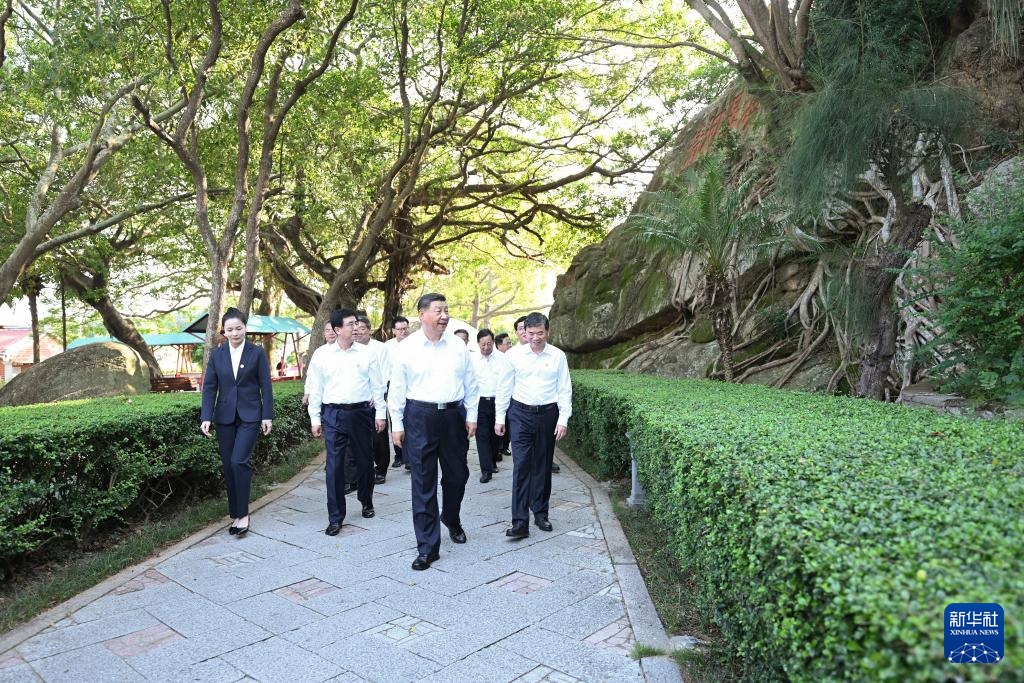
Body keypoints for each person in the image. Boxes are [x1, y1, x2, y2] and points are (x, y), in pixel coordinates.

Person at [389, 293, 479, 570]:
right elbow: (397, 388)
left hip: (453, 416)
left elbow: (471, 383)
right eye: (438, 310)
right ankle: (428, 547)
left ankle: (450, 517)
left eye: (446, 310)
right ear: (422, 314)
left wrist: (471, 415)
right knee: (423, 482)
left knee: (458, 475)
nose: (444, 316)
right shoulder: (407, 347)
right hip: (419, 417)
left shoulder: (458, 346)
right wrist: (397, 424)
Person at [305, 308, 386, 535]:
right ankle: (335, 516)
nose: (356, 328)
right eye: (350, 324)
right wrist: (315, 418)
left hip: (361, 413)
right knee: (334, 466)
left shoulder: (366, 353)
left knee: (364, 461)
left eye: (357, 324)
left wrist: (380, 413)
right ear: (338, 329)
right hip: (333, 415)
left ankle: (366, 500)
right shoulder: (322, 355)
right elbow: (316, 388)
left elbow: (377, 385)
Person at [495, 312, 571, 539]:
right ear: (524, 332)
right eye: (531, 333)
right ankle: (519, 522)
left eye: (540, 333)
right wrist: (500, 418)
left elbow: (564, 389)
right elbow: (504, 387)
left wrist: (563, 419)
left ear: (547, 332)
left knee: (543, 465)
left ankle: (540, 513)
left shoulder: (557, 356)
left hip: (548, 414)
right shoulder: (514, 355)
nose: (535, 338)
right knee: (521, 466)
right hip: (520, 414)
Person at [200, 307, 274, 537]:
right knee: (228, 465)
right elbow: (209, 387)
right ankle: (236, 513)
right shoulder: (217, 354)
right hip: (224, 417)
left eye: (238, 328)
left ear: (245, 328)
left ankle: (243, 515)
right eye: (230, 329)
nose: (234, 333)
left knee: (238, 461)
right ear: (224, 331)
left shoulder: (256, 352)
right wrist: (206, 416)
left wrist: (267, 415)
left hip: (251, 416)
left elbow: (266, 386)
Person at [354, 315, 391, 485]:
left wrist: (375, 396)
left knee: (379, 437)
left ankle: (381, 469)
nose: (358, 332)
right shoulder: (350, 348)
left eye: (362, 328)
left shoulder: (380, 348)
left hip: (376, 399)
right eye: (356, 328)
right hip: (358, 400)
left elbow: (384, 375)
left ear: (369, 330)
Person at [471, 328, 511, 483]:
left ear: (493, 342)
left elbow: (506, 383)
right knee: (482, 436)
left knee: (496, 436)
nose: (486, 347)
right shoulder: (472, 359)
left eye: (489, 344)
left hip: (498, 402)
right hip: (480, 402)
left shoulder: (502, 359)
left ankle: (493, 461)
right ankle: (486, 470)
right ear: (478, 344)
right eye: (483, 345)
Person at [383, 316, 411, 469]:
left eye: (405, 329)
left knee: (410, 420)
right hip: (392, 385)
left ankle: (410, 457)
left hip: (411, 386)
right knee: (395, 418)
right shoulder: (387, 347)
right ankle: (399, 455)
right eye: (399, 329)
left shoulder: (415, 344)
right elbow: (384, 369)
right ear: (393, 331)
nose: (403, 332)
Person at [303, 319, 338, 407]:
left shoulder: (347, 351)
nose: (331, 333)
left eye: (333, 330)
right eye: (327, 330)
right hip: (323, 398)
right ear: (324, 334)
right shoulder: (319, 352)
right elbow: (311, 374)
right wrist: (307, 392)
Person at [493, 332, 512, 459]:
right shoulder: (495, 359)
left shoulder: (511, 357)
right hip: (497, 396)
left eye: (510, 343)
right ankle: (498, 448)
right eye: (508, 343)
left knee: (508, 423)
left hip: (511, 396)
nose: (510, 345)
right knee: (499, 421)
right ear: (499, 345)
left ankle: (505, 446)